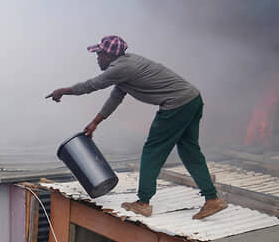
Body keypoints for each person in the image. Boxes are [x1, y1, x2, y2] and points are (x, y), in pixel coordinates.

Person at [46, 35, 226, 220]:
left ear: (109, 55)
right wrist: (95, 123)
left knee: (152, 152)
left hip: (175, 106)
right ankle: (212, 199)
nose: (97, 58)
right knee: (190, 152)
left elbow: (92, 85)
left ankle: (143, 203)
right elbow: (116, 96)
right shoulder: (126, 64)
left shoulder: (121, 68)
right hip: (192, 99)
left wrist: (63, 91)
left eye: (99, 54)